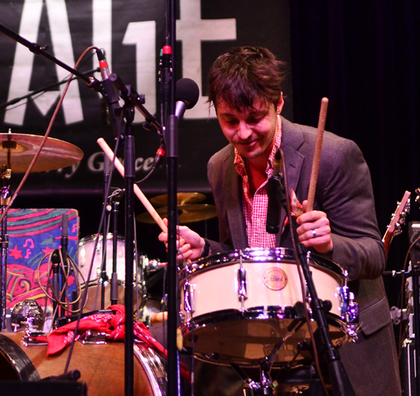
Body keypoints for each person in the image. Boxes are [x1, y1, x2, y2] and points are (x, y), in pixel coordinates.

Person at [159, 46, 400, 395]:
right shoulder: (220, 166)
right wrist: (205, 250)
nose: (243, 133)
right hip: (270, 345)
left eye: (255, 118)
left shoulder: (335, 155)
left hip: (339, 341)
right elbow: (246, 255)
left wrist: (330, 244)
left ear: (278, 103)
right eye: (230, 121)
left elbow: (374, 256)